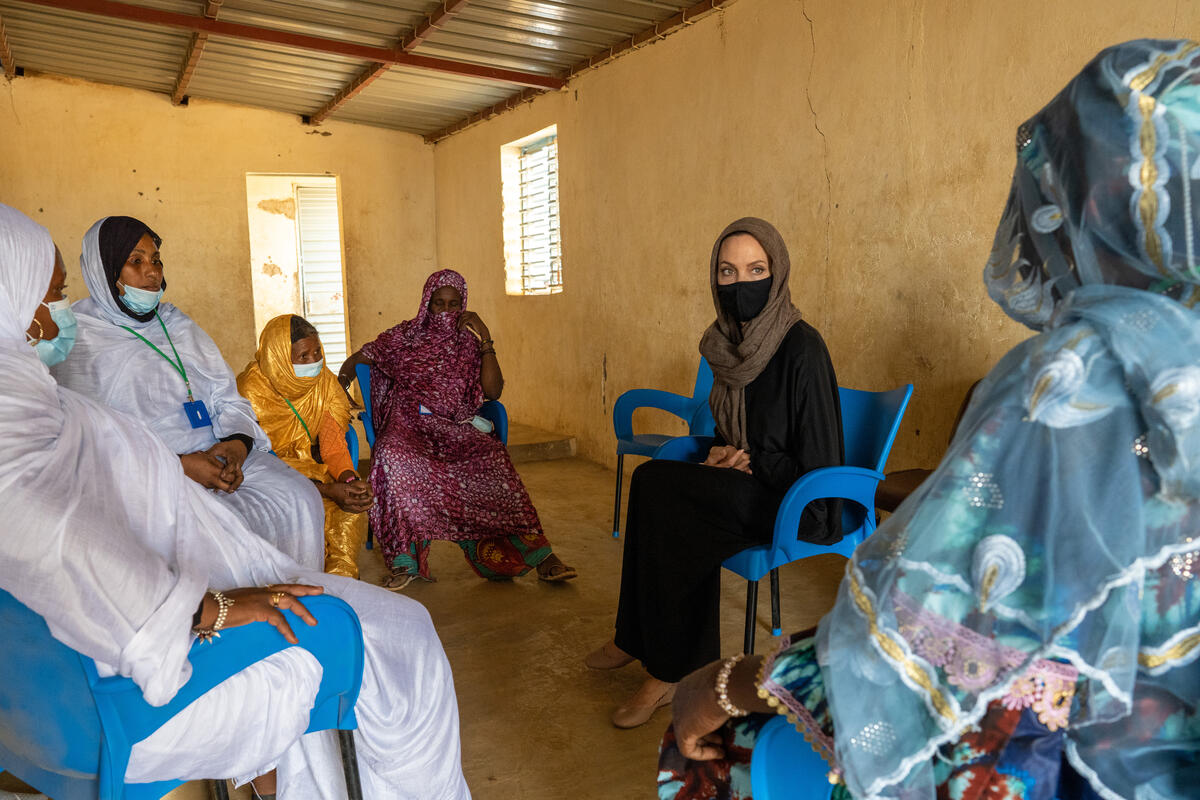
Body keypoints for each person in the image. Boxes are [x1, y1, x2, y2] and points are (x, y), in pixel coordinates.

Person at [659, 39, 1200, 800]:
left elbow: (925, 636)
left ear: (1086, 203)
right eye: (727, 272)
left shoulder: (1071, 385)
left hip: (1075, 749)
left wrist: (728, 684)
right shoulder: (721, 349)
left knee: (713, 746)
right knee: (665, 489)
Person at [1, 202, 470, 799]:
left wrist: (231, 447)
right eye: (52, 296)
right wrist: (213, 608)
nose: (59, 315)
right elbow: (57, 541)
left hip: (62, 691)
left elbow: (81, 508)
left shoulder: (30, 404)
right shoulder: (22, 429)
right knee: (406, 637)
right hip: (130, 693)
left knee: (299, 508)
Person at [586, 218, 844, 729]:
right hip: (750, 481)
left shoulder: (801, 348)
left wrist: (749, 459)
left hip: (799, 499)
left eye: (755, 269)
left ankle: (673, 671)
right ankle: (634, 634)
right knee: (652, 479)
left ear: (777, 272)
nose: (739, 283)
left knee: (679, 507)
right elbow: (739, 435)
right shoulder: (729, 345)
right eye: (727, 272)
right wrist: (723, 453)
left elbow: (819, 461)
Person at [53, 217, 324, 570]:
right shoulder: (79, 338)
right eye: (136, 261)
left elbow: (228, 397)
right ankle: (223, 619)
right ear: (104, 269)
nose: (152, 273)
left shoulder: (178, 324)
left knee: (300, 498)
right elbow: (87, 439)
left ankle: (295, 609)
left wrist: (236, 446)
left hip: (220, 456)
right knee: (209, 530)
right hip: (145, 475)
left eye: (156, 260)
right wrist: (177, 466)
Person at [338, 269, 576, 590]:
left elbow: (493, 392)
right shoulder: (404, 338)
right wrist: (337, 389)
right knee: (390, 455)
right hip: (409, 426)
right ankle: (404, 559)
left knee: (493, 459)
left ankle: (541, 556)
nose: (446, 312)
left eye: (454, 305)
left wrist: (485, 338)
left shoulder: (468, 344)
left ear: (463, 306)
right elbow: (357, 360)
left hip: (455, 429)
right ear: (427, 304)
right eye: (439, 304)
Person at [238, 314, 372, 579]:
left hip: (311, 470)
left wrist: (348, 478)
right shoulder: (250, 391)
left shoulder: (324, 384)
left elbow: (333, 446)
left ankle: (338, 590)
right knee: (300, 510)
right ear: (279, 357)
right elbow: (252, 458)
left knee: (348, 511)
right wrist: (325, 490)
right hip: (263, 477)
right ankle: (300, 588)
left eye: (317, 352)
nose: (314, 362)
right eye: (303, 357)